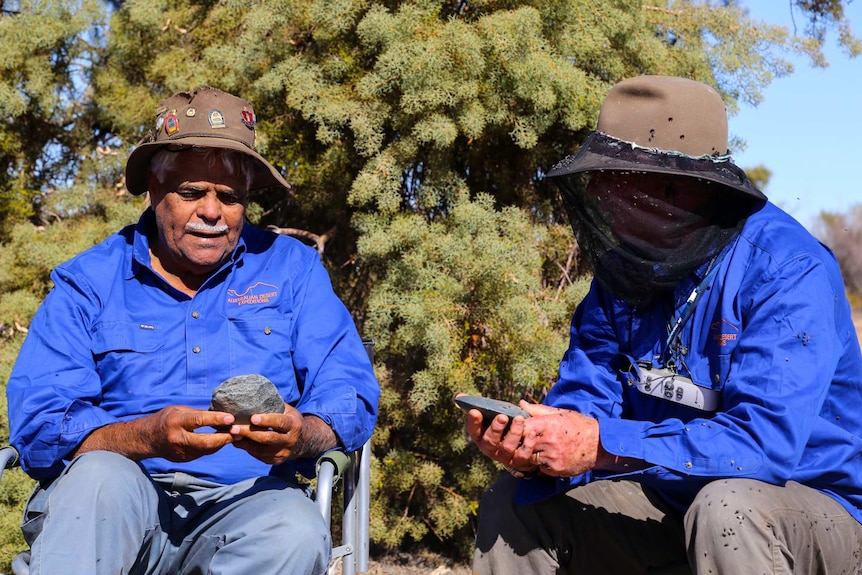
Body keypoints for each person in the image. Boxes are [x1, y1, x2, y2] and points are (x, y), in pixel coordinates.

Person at [462, 75, 862, 574]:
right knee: (517, 504)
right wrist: (539, 448)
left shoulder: (787, 269)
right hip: (673, 502)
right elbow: (586, 399)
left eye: (616, 178)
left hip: (810, 512)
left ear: (677, 187)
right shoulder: (626, 271)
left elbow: (761, 447)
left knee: (726, 510)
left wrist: (599, 445)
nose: (599, 194)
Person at [6, 86, 379, 575]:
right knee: (96, 480)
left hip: (250, 499)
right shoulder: (88, 282)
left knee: (294, 526)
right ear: (154, 190)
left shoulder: (293, 270)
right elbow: (40, 422)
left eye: (230, 197)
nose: (211, 211)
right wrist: (146, 437)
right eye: (190, 193)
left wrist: (301, 433)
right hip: (118, 500)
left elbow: (348, 393)